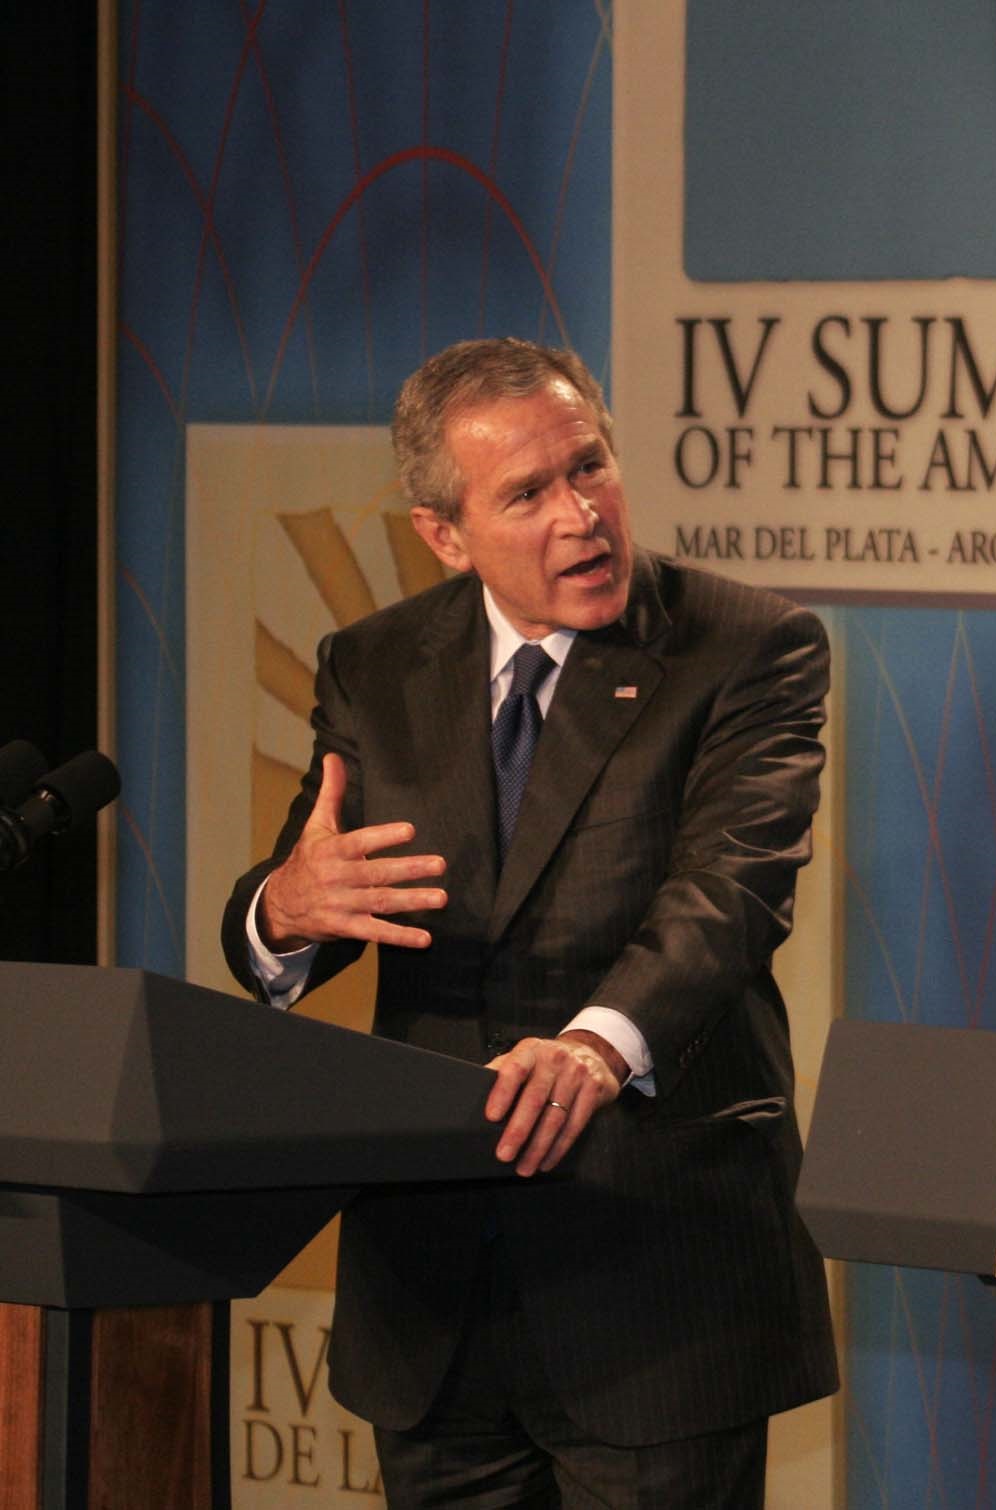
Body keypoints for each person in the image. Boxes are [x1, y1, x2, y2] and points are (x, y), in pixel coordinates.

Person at [221, 337, 836, 1508]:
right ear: (442, 534)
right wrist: (284, 911)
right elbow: (325, 879)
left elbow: (730, 893)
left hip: (654, 1284)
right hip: (434, 1299)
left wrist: (598, 1045)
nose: (581, 515)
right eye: (528, 493)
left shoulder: (747, 645)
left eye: (589, 467)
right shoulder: (376, 661)